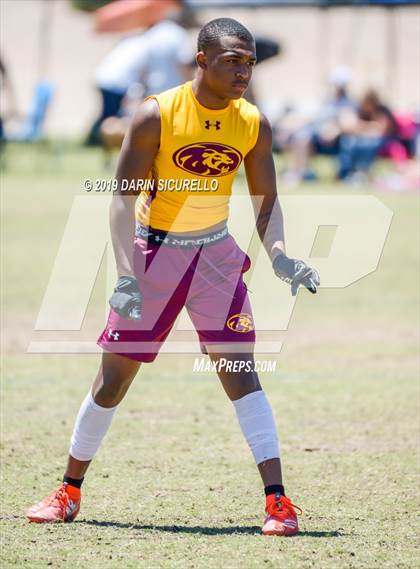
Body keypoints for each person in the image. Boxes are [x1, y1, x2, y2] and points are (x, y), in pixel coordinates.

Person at [26, 18, 319, 537]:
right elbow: (120, 198)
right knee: (113, 382)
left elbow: (267, 205)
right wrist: (124, 274)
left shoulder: (254, 123)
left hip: (215, 258)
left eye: (249, 61)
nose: (243, 71)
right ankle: (69, 490)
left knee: (240, 374)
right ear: (201, 61)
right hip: (153, 255)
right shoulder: (155, 115)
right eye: (233, 60)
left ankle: (278, 502)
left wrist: (278, 256)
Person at [86, 5, 188, 145]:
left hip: (104, 77)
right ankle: (96, 140)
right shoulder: (173, 34)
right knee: (111, 114)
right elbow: (180, 61)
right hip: (119, 82)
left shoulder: (147, 36)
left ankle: (96, 140)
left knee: (109, 113)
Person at [337, 89, 398, 182]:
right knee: (348, 142)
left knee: (369, 144)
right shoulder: (361, 111)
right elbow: (351, 126)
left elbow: (381, 130)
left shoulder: (382, 110)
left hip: (385, 141)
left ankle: (362, 172)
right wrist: (369, 126)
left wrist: (364, 127)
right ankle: (347, 174)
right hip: (361, 139)